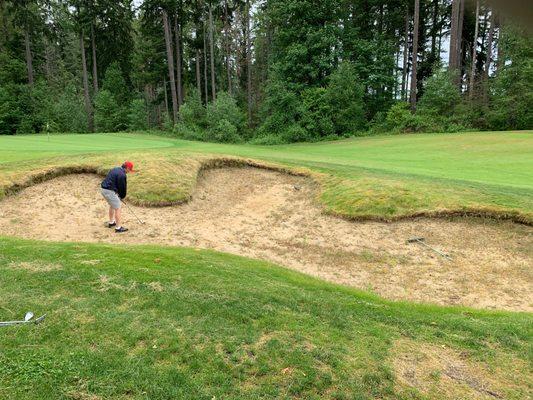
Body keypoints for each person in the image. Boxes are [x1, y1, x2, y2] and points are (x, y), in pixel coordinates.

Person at [100, 161, 135, 233]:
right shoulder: (122, 175)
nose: (129, 171)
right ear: (127, 168)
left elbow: (112, 182)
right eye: (130, 170)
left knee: (112, 205)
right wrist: (121, 196)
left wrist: (116, 193)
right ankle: (118, 228)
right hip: (109, 191)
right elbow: (122, 187)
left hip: (103, 189)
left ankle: (111, 222)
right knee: (118, 207)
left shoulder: (115, 169)